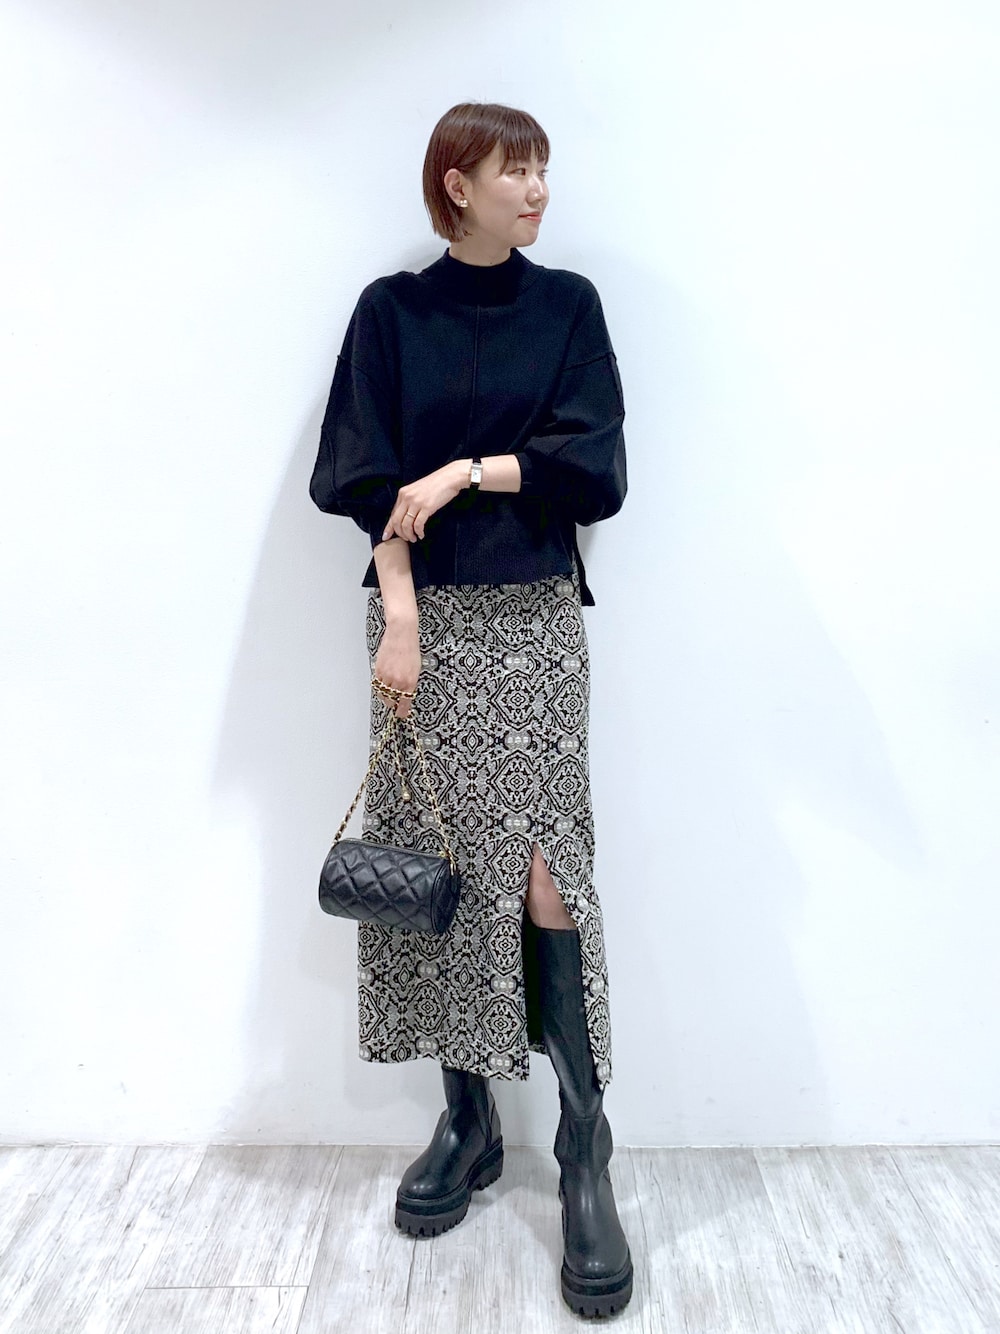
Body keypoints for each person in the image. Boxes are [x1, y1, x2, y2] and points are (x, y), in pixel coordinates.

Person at [309, 101, 631, 1319]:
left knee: (544, 873)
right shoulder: (391, 314)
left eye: (543, 168)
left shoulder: (570, 308)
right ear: (457, 183)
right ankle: (468, 1120)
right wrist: (398, 611)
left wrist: (464, 470)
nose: (538, 188)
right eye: (516, 170)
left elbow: (595, 467)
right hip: (422, 625)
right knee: (444, 863)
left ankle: (584, 1146)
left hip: (534, 623)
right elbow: (358, 474)